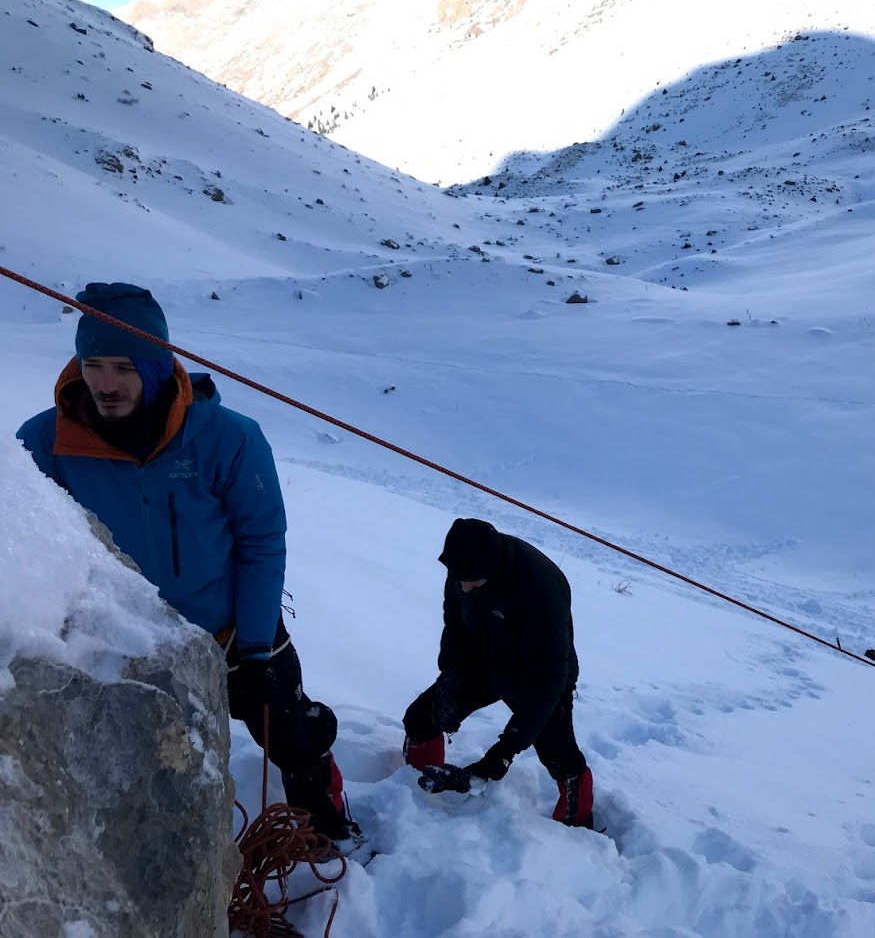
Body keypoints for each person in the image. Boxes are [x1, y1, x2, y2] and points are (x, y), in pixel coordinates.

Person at [16, 283, 361, 848]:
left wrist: (253, 646)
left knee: (292, 732)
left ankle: (324, 815)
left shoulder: (226, 438)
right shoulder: (46, 442)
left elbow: (261, 542)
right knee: (159, 752)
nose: (104, 383)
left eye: (123, 366)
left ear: (156, 366)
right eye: (92, 363)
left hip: (231, 630)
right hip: (132, 640)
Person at [403, 517, 595, 829]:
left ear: (492, 570)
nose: (463, 587)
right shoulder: (465, 566)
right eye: (458, 579)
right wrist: (451, 679)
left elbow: (548, 679)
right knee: (421, 719)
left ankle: (576, 828)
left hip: (539, 679)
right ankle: (418, 795)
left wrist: (500, 757)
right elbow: (455, 625)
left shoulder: (540, 588)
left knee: (561, 759)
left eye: (473, 582)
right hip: (484, 665)